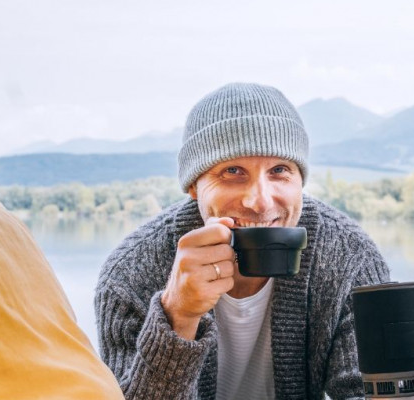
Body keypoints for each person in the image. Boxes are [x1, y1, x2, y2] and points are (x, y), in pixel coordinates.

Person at [95, 83, 391, 400]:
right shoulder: (128, 275)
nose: (260, 202)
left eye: (279, 170)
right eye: (232, 171)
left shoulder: (351, 259)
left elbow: (376, 392)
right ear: (194, 185)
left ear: (300, 180)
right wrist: (177, 317)